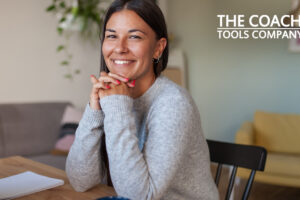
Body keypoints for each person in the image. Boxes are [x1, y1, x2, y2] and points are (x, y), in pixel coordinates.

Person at [66, 0, 219, 199]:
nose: (120, 48)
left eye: (134, 37)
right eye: (112, 36)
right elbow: (80, 181)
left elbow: (139, 197)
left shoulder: (173, 104)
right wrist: (93, 112)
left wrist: (117, 108)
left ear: (158, 48)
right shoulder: (112, 97)